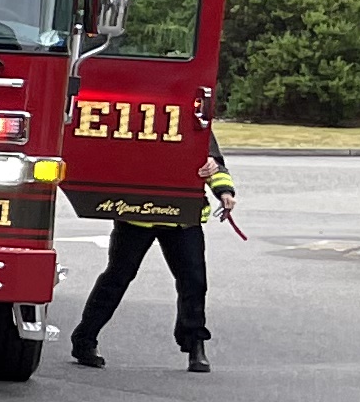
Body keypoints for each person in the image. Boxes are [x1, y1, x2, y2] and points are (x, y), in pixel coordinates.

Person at [71, 120, 236, 376]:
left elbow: (214, 163)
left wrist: (224, 190)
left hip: (182, 217)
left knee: (194, 282)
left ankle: (195, 345)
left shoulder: (195, 122)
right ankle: (85, 339)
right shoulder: (136, 118)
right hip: (136, 217)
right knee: (117, 278)